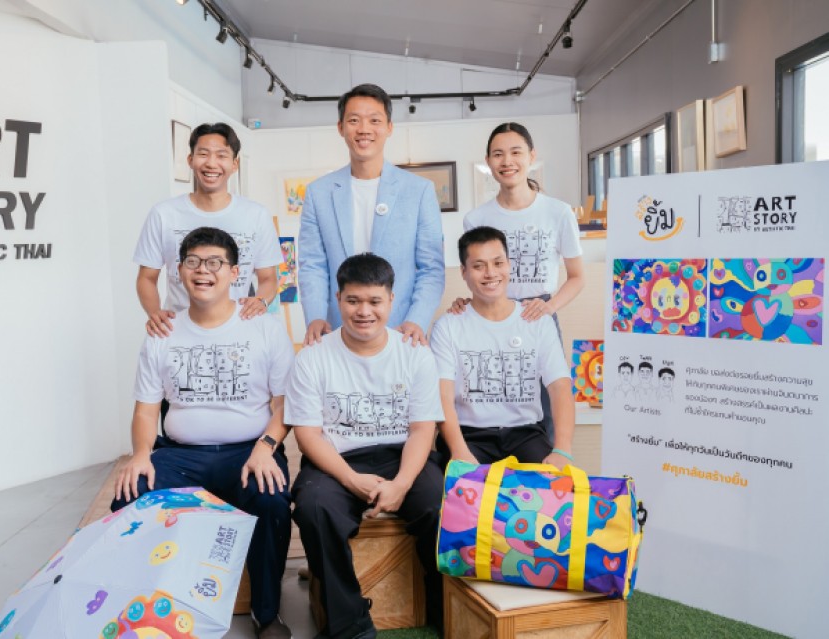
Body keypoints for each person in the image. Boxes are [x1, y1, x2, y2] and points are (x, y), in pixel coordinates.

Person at [113, 227, 295, 639]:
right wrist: (140, 454)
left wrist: (267, 447)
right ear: (179, 271)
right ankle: (144, 608)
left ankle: (267, 613)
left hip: (249, 451)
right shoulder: (163, 331)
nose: (203, 271)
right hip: (180, 456)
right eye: (193, 262)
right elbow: (145, 410)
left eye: (215, 263)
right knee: (130, 493)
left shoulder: (264, 327)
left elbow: (285, 404)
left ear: (235, 273)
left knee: (271, 499)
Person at [286, 253, 445, 639]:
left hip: (401, 454)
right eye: (353, 300)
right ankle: (350, 623)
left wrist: (402, 484)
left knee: (438, 504)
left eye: (374, 301)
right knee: (314, 507)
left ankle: (442, 604)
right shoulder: (312, 357)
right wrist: (352, 479)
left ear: (391, 300)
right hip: (337, 460)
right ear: (338, 299)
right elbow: (308, 435)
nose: (364, 311)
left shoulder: (415, 354)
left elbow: (422, 430)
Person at [455, 122, 585, 443]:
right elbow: (477, 273)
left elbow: (577, 276)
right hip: (490, 317)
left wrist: (548, 308)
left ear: (531, 156)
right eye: (498, 154)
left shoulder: (558, 212)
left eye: (516, 152)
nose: (507, 161)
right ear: (488, 161)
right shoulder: (476, 218)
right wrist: (466, 303)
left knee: (547, 403)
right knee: (494, 398)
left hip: (538, 313)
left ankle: (551, 462)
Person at [298, 83, 445, 347]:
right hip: (337, 332)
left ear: (389, 127)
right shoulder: (318, 192)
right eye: (354, 120)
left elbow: (431, 268)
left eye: (374, 120)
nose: (364, 129)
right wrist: (316, 317)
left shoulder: (419, 190)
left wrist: (417, 320)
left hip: (401, 332)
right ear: (340, 127)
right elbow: (312, 265)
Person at [430, 227, 573, 468]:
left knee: (550, 485)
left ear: (509, 265)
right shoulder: (448, 326)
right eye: (479, 266)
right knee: (468, 488)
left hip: (525, 434)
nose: (490, 273)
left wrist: (563, 450)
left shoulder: (538, 321)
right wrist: (458, 451)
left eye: (498, 263)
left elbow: (560, 387)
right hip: (468, 436)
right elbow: (442, 395)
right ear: (464, 272)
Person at [134, 122, 281, 338]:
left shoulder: (256, 215)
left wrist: (261, 301)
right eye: (203, 154)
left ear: (235, 164)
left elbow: (268, 277)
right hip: (178, 331)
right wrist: (155, 313)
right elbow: (147, 277)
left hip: (238, 330)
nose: (211, 163)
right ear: (190, 160)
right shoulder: (164, 214)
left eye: (221, 155)